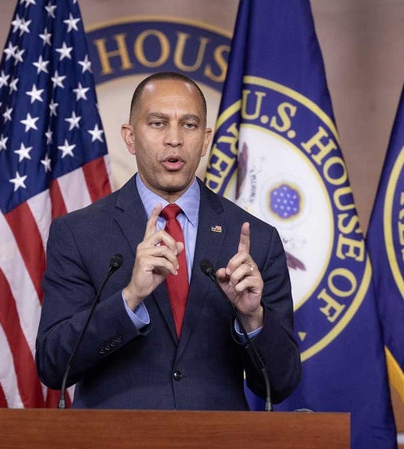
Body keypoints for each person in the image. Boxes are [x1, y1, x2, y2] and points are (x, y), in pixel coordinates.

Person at [36, 72, 301, 409]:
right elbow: (53, 365)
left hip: (218, 442)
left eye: (189, 125)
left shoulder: (256, 239)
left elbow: (281, 383)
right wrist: (130, 299)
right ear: (130, 137)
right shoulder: (78, 233)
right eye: (158, 123)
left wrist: (252, 319)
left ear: (205, 141)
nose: (174, 139)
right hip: (114, 441)